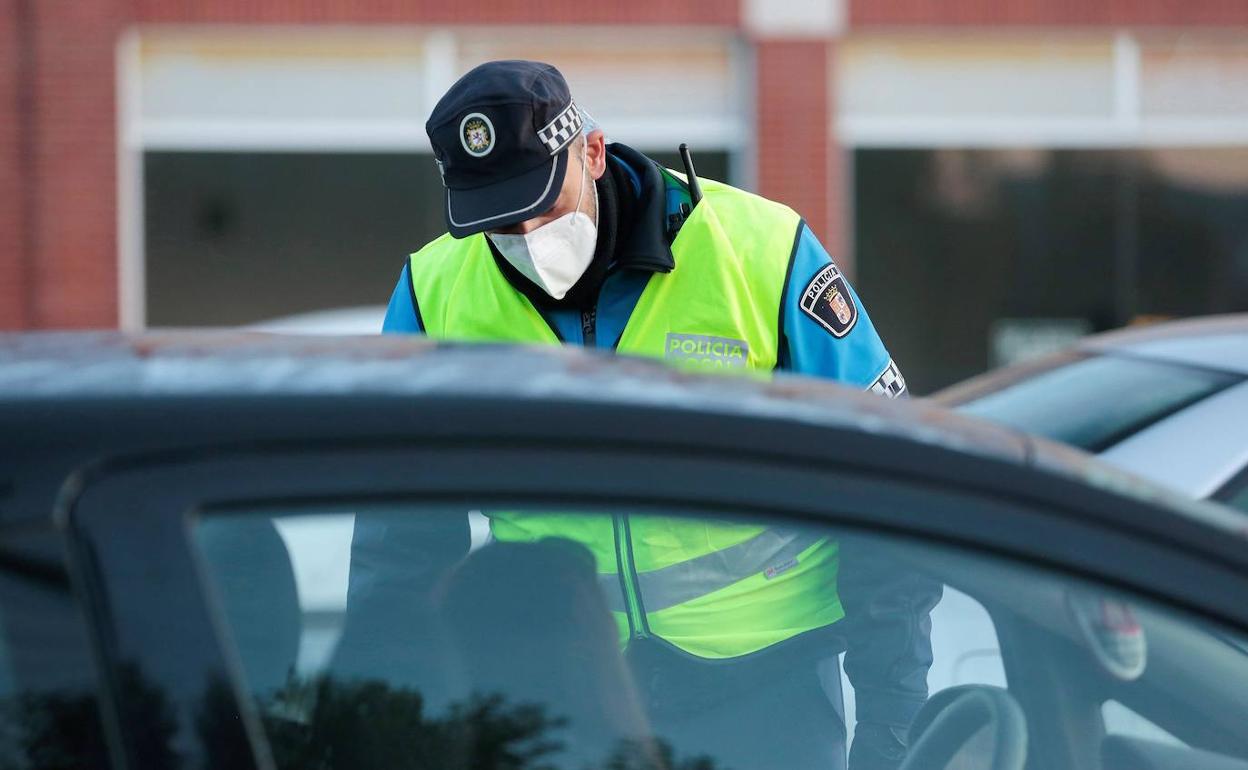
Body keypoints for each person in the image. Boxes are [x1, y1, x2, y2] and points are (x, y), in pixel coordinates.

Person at [348, 59, 940, 770]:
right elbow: (398, 542)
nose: (528, 234)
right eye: (500, 220)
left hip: (769, 689)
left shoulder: (760, 252)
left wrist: (893, 729)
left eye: (543, 201)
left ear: (592, 151)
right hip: (549, 697)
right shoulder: (432, 293)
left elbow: (888, 491)